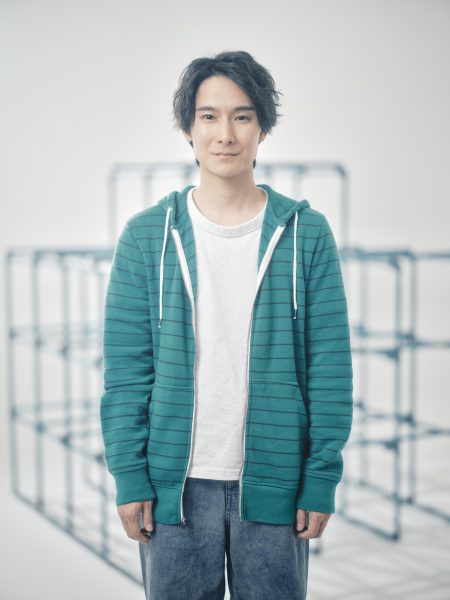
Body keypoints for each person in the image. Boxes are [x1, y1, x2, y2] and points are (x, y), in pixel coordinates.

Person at [100, 50, 353, 599]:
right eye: (209, 116)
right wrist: (129, 475)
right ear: (188, 130)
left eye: (242, 116)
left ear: (262, 128)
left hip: (277, 481)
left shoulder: (307, 234)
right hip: (173, 487)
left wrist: (320, 476)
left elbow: (329, 367)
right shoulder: (145, 236)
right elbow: (126, 373)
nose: (225, 134)